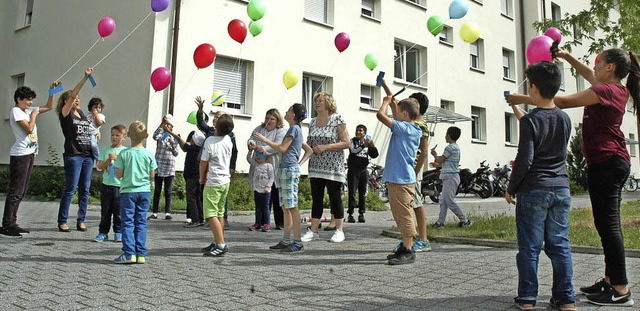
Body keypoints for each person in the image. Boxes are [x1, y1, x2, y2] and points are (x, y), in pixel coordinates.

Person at [508, 47, 639, 307]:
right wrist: (566, 57)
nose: (594, 67)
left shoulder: (605, 91)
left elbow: (562, 101)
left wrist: (521, 97)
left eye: (598, 63)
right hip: (609, 162)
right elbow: (589, 75)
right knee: (601, 226)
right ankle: (610, 279)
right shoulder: (613, 88)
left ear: (610, 67)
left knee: (609, 225)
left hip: (607, 162)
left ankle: (620, 287)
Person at [505, 61, 575, 311]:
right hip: (561, 188)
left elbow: (525, 160)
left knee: (530, 248)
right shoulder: (565, 119)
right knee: (560, 245)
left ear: (533, 88)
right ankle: (566, 299)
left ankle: (526, 299)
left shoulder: (530, 121)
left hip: (534, 189)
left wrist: (511, 188)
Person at [1, 82, 57, 237]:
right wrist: (33, 115)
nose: (30, 103)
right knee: (16, 191)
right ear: (19, 99)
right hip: (20, 155)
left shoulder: (29, 110)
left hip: (30, 153)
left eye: (31, 100)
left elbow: (49, 106)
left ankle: (13, 223)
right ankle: (7, 225)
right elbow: (29, 129)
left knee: (22, 191)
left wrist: (51, 91)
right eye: (27, 99)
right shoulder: (16, 111)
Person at [253, 103, 311, 253]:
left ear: (293, 115)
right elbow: (308, 150)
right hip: (285, 169)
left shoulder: (294, 129)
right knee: (285, 207)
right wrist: (299, 163)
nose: (286, 111)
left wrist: (264, 140)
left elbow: (282, 148)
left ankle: (297, 242)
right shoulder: (294, 129)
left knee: (292, 207)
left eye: (289, 110)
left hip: (289, 171)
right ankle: (286, 239)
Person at [300, 92, 349, 243]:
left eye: (320, 101)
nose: (317, 103)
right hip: (315, 166)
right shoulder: (313, 122)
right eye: (316, 101)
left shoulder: (337, 119)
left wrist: (326, 147)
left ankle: (339, 230)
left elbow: (346, 143)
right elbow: (310, 145)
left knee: (335, 198)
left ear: (328, 103)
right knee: (317, 199)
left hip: (333, 167)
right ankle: (313, 230)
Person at [377, 96, 421, 265]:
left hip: (401, 179)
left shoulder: (403, 128)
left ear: (404, 113)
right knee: (400, 214)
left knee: (404, 215)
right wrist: (394, 101)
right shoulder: (412, 129)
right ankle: (405, 245)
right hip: (400, 178)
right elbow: (397, 116)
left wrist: (386, 102)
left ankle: (409, 250)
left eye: (398, 112)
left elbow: (381, 116)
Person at [113, 121, 157, 264]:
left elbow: (118, 175)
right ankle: (141, 254)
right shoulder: (149, 154)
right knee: (141, 222)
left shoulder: (124, 154)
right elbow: (152, 175)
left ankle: (128, 253)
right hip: (144, 192)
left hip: (128, 192)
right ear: (146, 136)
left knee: (127, 222)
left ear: (129, 135)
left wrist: (113, 165)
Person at [57, 68, 94, 233]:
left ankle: (81, 220)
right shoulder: (65, 114)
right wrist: (85, 78)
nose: (76, 99)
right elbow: (71, 96)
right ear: (66, 102)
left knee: (85, 189)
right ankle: (63, 220)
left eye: (78, 97)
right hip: (74, 156)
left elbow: (86, 130)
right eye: (73, 98)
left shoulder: (80, 114)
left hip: (87, 156)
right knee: (71, 189)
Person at [195, 97, 238, 229]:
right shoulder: (210, 131)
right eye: (215, 116)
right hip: (217, 174)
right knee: (213, 203)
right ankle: (218, 234)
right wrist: (200, 110)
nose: (215, 118)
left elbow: (234, 151)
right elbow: (200, 122)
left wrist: (232, 166)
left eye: (218, 117)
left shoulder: (228, 137)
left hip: (215, 174)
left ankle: (220, 234)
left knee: (217, 206)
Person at [199, 114, 234, 257]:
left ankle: (220, 245)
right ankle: (218, 239)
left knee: (211, 214)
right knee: (219, 213)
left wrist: (202, 177)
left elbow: (203, 162)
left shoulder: (210, 141)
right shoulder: (228, 140)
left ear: (217, 127)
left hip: (213, 182)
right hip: (225, 181)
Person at [248, 109, 286, 230]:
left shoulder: (281, 131)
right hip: (259, 164)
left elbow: (278, 146)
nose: (268, 121)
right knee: (261, 194)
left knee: (275, 192)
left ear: (277, 120)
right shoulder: (259, 128)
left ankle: (280, 222)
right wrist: (251, 144)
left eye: (272, 119)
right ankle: (262, 221)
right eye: (267, 118)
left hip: (272, 163)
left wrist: (263, 149)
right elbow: (251, 138)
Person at [430, 127, 471, 228]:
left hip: (450, 177)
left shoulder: (449, 148)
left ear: (448, 135)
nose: (445, 136)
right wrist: (437, 165)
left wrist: (434, 155)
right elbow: (448, 163)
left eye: (446, 134)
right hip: (451, 177)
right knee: (443, 200)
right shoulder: (456, 147)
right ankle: (440, 222)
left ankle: (465, 220)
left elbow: (440, 159)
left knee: (449, 200)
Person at [94, 124, 127, 242]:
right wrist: (108, 160)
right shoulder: (106, 150)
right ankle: (103, 232)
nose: (114, 137)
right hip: (107, 185)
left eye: (117, 135)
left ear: (124, 137)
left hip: (120, 186)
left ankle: (118, 232)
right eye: (112, 135)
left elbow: (127, 168)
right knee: (106, 210)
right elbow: (99, 166)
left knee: (118, 211)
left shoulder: (125, 151)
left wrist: (117, 158)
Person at [171, 119, 207, 228]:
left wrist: (170, 132)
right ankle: (201, 219)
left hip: (192, 178)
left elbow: (182, 143)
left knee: (191, 199)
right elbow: (183, 145)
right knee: (198, 199)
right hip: (199, 177)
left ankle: (195, 220)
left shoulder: (192, 149)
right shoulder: (199, 149)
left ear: (194, 141)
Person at [147, 114, 179, 221]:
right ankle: (155, 212)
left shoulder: (174, 136)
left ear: (171, 126)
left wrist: (173, 144)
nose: (167, 126)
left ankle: (167, 212)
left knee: (168, 190)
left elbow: (176, 153)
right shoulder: (161, 134)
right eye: (166, 124)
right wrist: (161, 124)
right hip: (159, 165)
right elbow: (155, 136)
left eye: (169, 125)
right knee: (157, 190)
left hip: (169, 167)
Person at [346, 124, 378, 223]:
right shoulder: (352, 141)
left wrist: (372, 146)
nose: (358, 132)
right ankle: (350, 214)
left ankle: (361, 214)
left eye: (360, 131)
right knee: (352, 192)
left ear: (365, 133)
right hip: (353, 170)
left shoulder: (367, 143)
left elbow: (375, 155)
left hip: (363, 170)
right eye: (357, 130)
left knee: (362, 193)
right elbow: (353, 151)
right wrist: (363, 145)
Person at [246, 151, 274, 232]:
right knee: (258, 207)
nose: (257, 157)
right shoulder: (256, 164)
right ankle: (257, 223)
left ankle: (267, 224)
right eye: (257, 155)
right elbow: (248, 159)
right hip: (257, 189)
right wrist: (250, 151)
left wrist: (268, 186)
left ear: (266, 157)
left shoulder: (269, 166)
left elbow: (272, 177)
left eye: (260, 156)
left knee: (265, 207)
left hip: (265, 190)